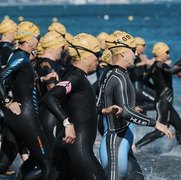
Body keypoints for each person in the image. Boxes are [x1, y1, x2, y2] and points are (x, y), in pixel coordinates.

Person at [98, 31, 172, 180]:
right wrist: (156, 124)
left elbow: (98, 104)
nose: (135, 55)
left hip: (123, 140)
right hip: (115, 145)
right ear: (123, 52)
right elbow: (125, 112)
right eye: (133, 51)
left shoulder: (117, 74)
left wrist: (105, 109)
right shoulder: (117, 78)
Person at [42, 33, 107, 180]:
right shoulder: (75, 77)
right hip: (78, 148)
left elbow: (79, 107)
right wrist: (67, 123)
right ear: (85, 55)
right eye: (97, 54)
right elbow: (50, 96)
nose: (99, 58)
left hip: (66, 146)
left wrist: (102, 110)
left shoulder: (73, 74)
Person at [0, 21, 50, 179]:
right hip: (25, 117)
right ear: (28, 40)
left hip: (17, 116)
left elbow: (21, 82)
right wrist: (7, 101)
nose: (40, 40)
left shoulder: (20, 56)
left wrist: (42, 79)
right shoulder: (21, 58)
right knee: (48, 161)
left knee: (3, 164)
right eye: (38, 37)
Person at [135, 42, 181, 150]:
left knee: (179, 126)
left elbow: (144, 80)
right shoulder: (160, 64)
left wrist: (157, 88)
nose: (168, 55)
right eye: (167, 52)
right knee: (160, 132)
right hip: (164, 103)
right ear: (160, 53)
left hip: (165, 102)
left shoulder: (153, 66)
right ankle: (136, 146)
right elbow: (171, 71)